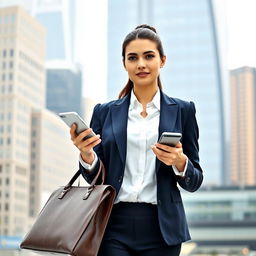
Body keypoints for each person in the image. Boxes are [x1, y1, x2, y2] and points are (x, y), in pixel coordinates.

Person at [70, 24, 203, 256]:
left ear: (162, 61)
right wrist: (87, 155)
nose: (141, 64)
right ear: (124, 64)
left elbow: (194, 181)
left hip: (163, 229)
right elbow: (94, 177)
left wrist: (180, 162)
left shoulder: (183, 111)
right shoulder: (104, 112)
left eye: (148, 56)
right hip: (112, 225)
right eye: (133, 58)